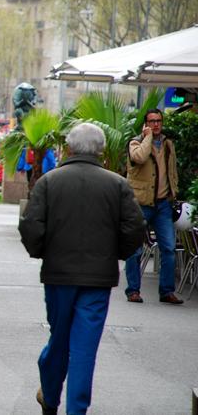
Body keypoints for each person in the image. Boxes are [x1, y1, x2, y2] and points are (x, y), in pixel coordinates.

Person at [19, 123, 144, 415]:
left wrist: (42, 252)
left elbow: (31, 226)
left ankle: (50, 397)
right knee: (84, 350)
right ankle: (76, 409)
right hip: (98, 278)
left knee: (59, 340)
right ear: (100, 149)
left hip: (58, 275)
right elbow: (134, 227)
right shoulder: (117, 184)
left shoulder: (50, 181)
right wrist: (116, 254)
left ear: (70, 147)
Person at [124, 108, 183, 304]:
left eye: (158, 121)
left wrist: (173, 191)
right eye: (151, 121)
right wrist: (147, 138)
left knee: (168, 248)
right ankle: (133, 290)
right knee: (135, 249)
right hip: (141, 204)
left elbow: (172, 170)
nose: (156, 124)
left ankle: (166, 291)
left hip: (163, 204)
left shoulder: (168, 144)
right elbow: (139, 157)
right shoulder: (135, 142)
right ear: (145, 124)